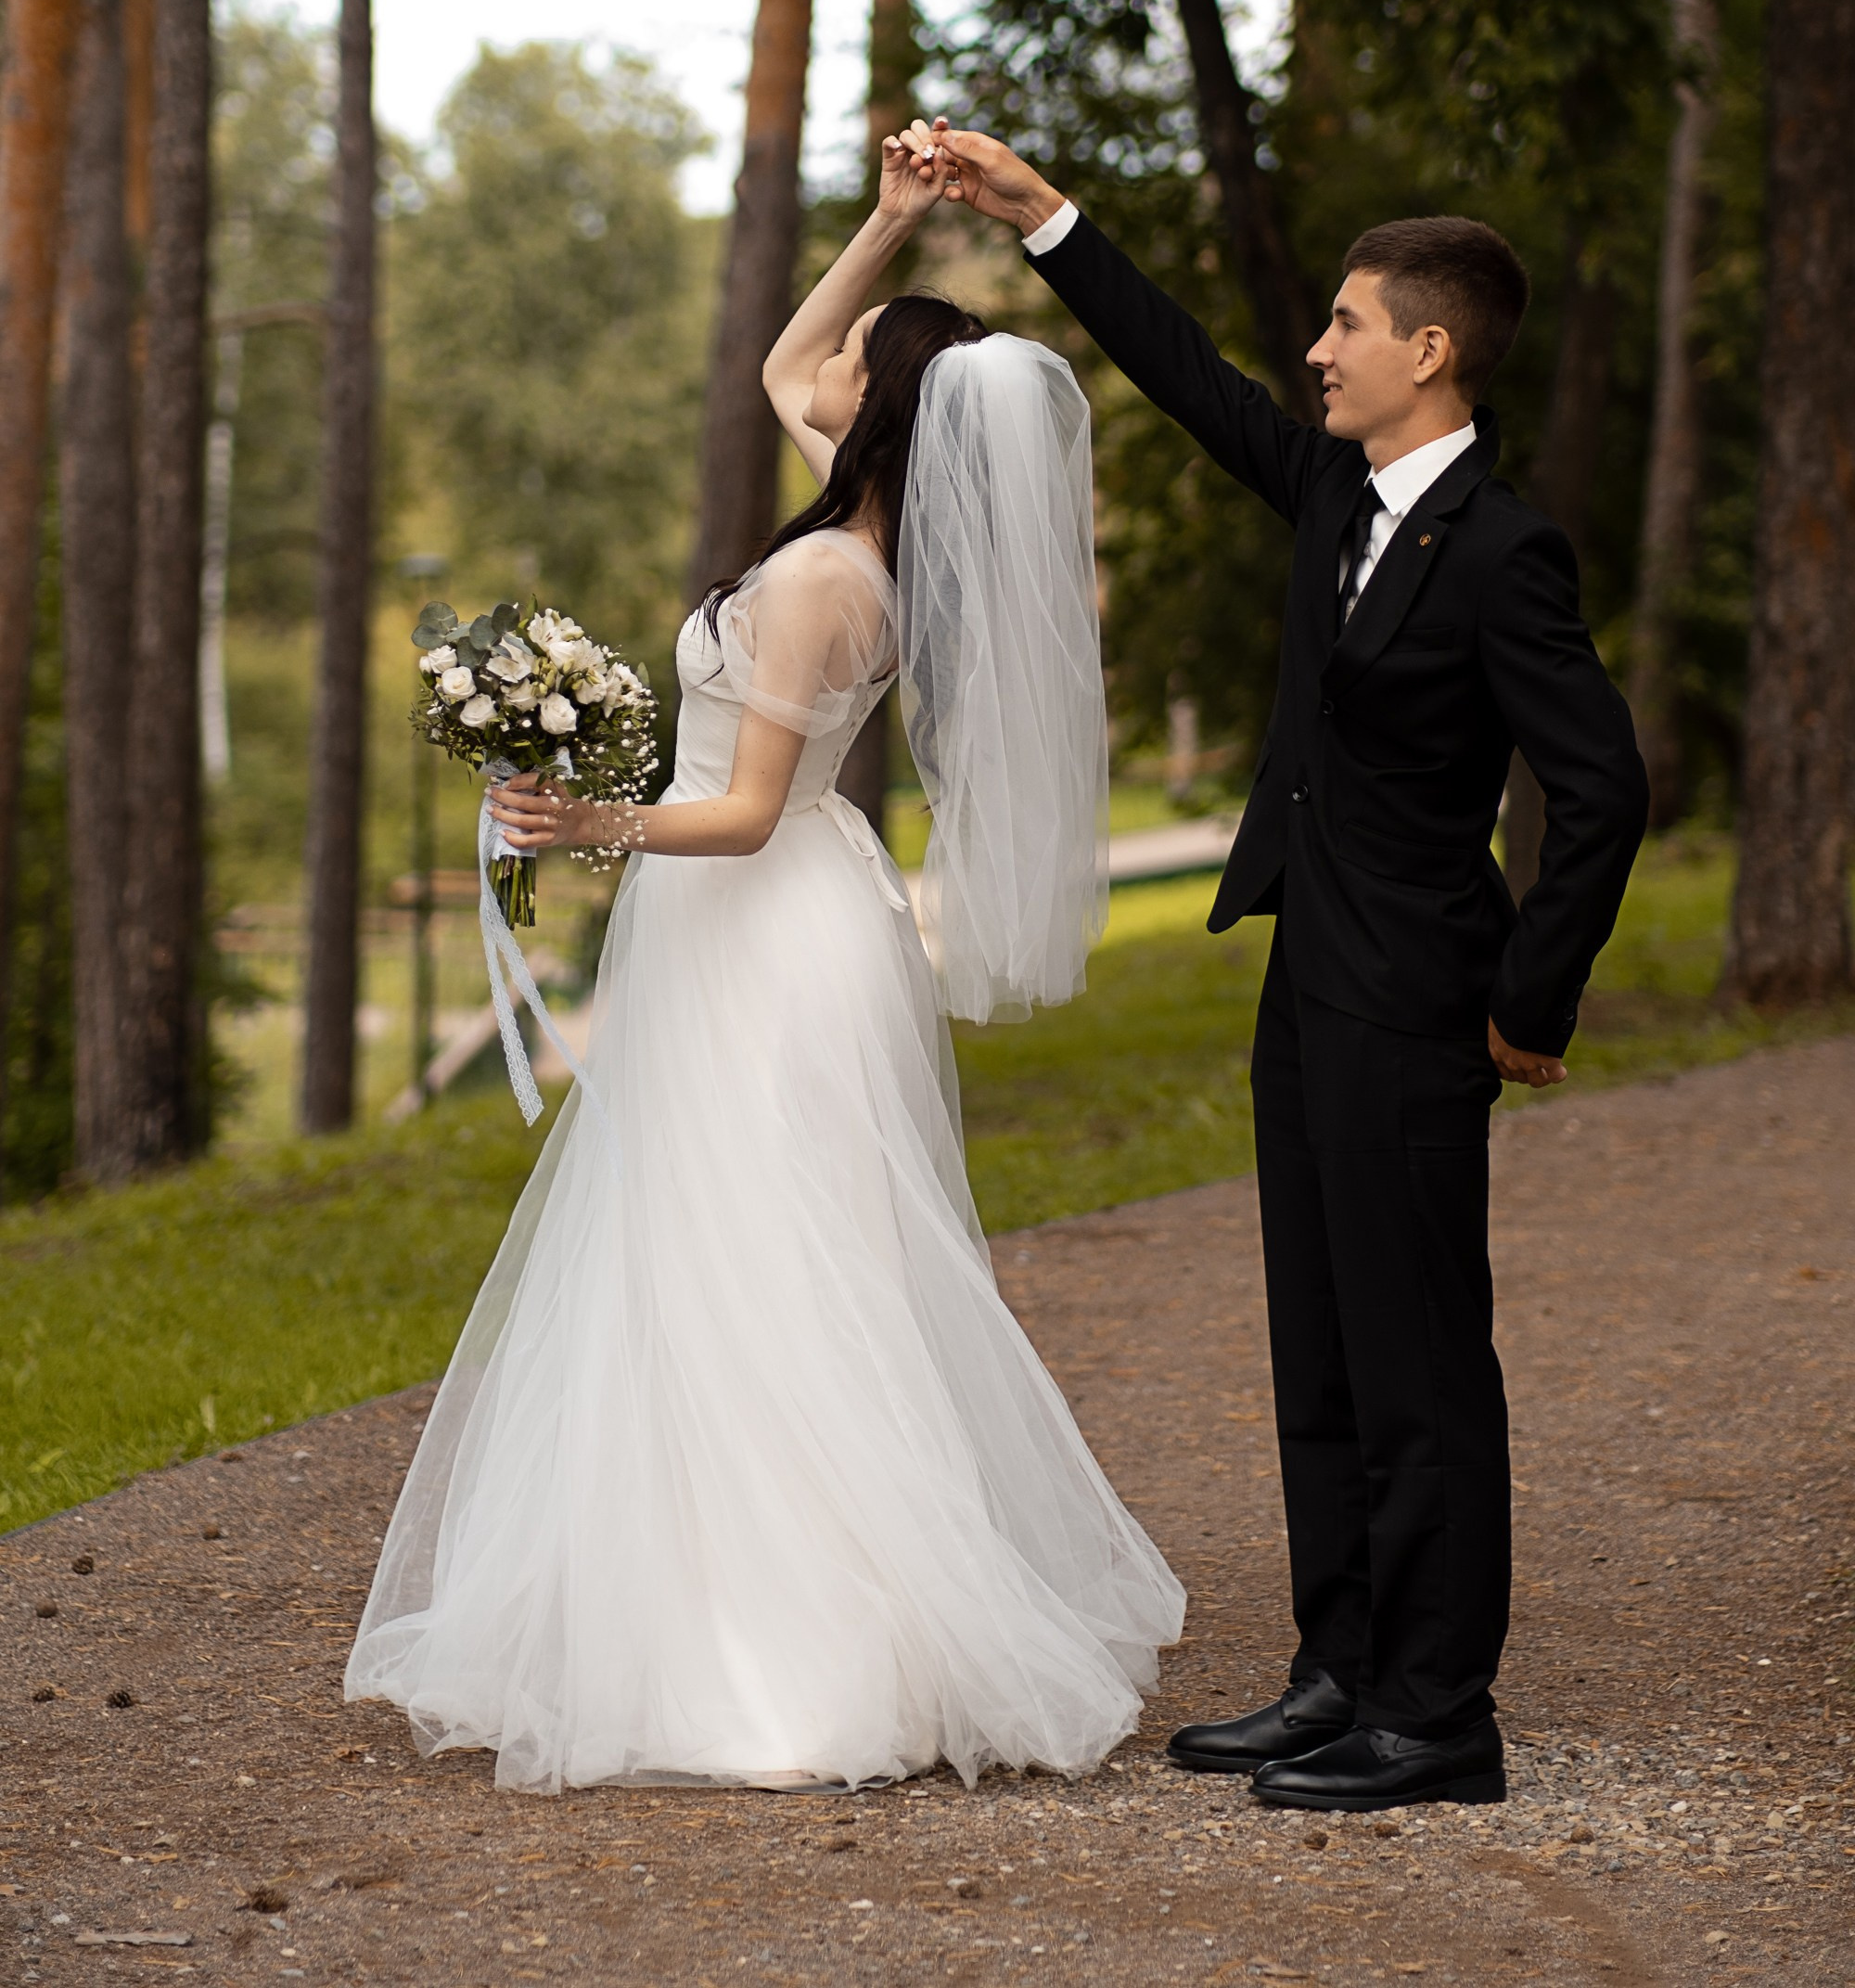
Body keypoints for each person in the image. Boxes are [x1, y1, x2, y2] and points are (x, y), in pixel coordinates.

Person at [344, 133, 1183, 1795]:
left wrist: (590, 823)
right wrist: (890, 222)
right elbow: (782, 366)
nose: (835, 366)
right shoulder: (886, 544)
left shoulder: (816, 581)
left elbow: (738, 813)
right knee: (742, 1245)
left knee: (762, 1255)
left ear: (884, 415)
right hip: (782, 918)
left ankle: (794, 1643)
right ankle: (719, 1593)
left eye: (865, 360)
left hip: (764, 919)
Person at [932, 122, 1649, 1815]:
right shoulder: (1334, 485)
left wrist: (1529, 1001)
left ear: (1431, 349)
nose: (1317, 350)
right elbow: (1190, 375)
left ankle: (1439, 1715)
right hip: (1306, 979)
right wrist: (1042, 217)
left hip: (1417, 995)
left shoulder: (1504, 550)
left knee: (1420, 1361)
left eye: (1345, 323)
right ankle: (1341, 1672)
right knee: (1321, 1349)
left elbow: (1605, 786)